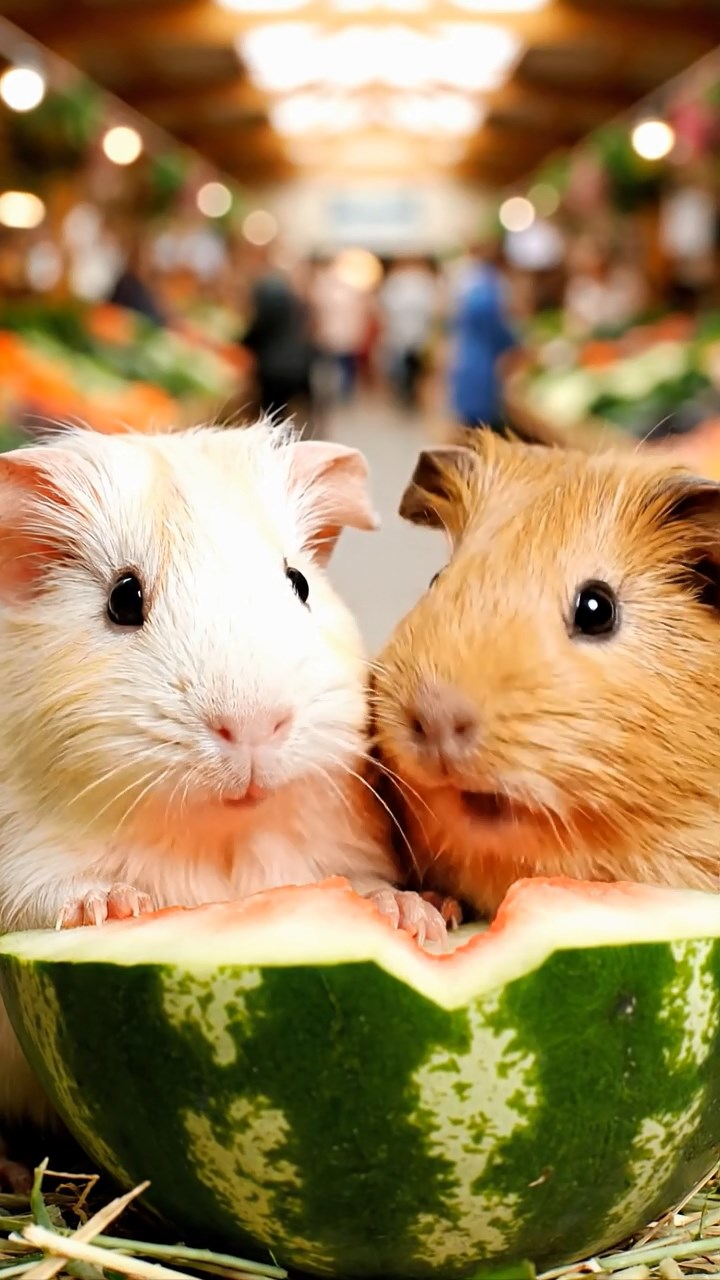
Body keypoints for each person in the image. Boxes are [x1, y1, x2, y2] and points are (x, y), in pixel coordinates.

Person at [447, 240, 519, 432]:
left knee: (470, 426)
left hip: (467, 359)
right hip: (483, 365)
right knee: (484, 427)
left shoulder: (472, 287)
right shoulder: (492, 290)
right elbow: (500, 331)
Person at [241, 247, 314, 419]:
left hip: (274, 365)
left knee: (273, 414)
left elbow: (262, 325)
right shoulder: (285, 287)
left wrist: (242, 342)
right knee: (282, 413)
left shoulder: (267, 288)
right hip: (293, 361)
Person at [379, 257, 439, 409]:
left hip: (415, 336)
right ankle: (405, 395)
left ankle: (409, 395)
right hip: (404, 335)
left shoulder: (417, 283)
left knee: (414, 369)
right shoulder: (400, 283)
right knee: (403, 369)